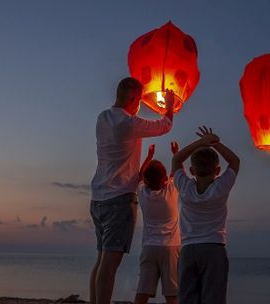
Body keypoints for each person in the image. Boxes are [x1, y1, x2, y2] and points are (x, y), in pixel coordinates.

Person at [89, 77, 175, 304]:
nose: (140, 104)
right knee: (110, 263)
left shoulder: (103, 118)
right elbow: (165, 125)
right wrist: (169, 104)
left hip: (98, 197)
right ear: (132, 99)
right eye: (139, 100)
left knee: (101, 260)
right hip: (119, 200)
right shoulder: (128, 123)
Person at [171, 126, 240, 304]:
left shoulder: (185, 188)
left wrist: (201, 143)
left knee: (187, 298)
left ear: (192, 171)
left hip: (188, 250)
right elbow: (234, 161)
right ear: (217, 171)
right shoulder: (220, 188)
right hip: (214, 250)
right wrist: (215, 143)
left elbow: (177, 160)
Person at [134, 142, 181, 304]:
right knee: (172, 294)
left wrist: (148, 156)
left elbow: (140, 176)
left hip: (149, 247)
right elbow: (178, 169)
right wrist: (176, 153)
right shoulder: (171, 190)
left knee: (143, 291)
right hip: (171, 248)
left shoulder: (143, 193)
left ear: (146, 181)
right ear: (166, 178)